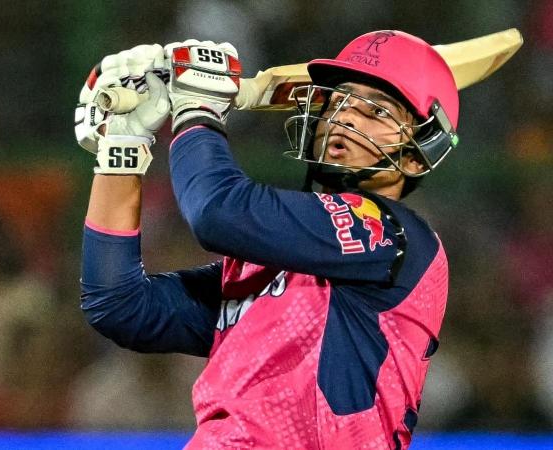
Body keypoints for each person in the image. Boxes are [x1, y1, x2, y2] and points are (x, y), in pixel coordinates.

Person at [74, 30, 459, 449]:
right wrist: (122, 149)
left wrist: (197, 108)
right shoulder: (276, 262)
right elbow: (122, 305)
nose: (345, 118)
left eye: (376, 111)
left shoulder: (394, 237)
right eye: (339, 101)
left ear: (415, 154)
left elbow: (216, 212)